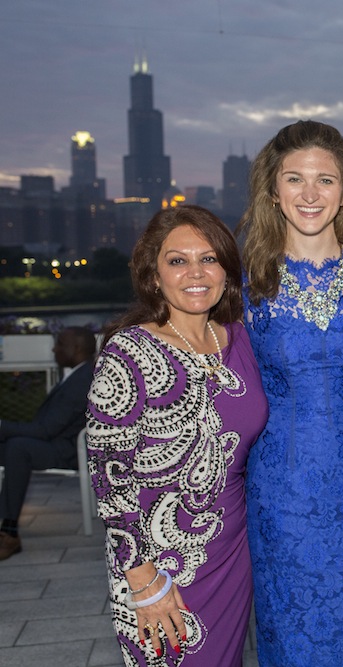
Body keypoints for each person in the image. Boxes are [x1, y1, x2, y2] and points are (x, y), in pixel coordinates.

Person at [238, 119, 343, 667]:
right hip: (282, 492)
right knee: (294, 634)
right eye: (295, 179)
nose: (310, 194)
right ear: (272, 191)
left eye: (325, 180)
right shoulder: (244, 282)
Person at [87, 205, 267, 666]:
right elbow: (110, 478)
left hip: (232, 551)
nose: (195, 272)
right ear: (153, 274)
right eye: (177, 260)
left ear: (227, 270)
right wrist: (143, 579)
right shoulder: (128, 353)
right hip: (157, 565)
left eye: (208, 258)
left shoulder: (243, 341)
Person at [0, 326, 96, 560]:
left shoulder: (83, 379)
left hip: (68, 451)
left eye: (60, 343)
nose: (54, 348)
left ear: (78, 348)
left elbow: (46, 430)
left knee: (18, 448)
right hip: (56, 442)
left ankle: (9, 531)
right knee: (16, 445)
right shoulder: (76, 374)